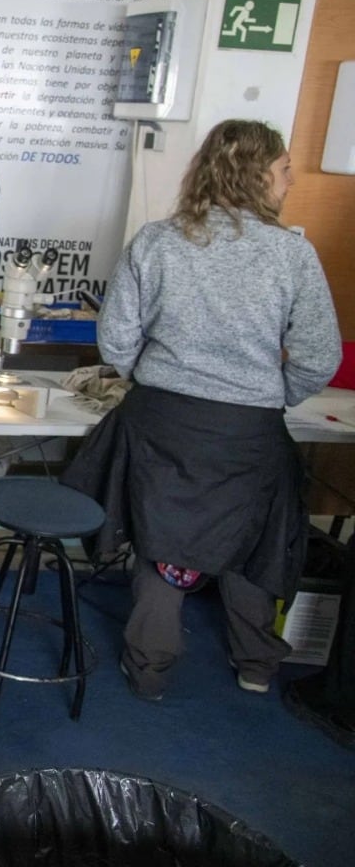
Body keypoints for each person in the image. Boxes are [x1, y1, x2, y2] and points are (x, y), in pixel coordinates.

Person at [64, 119, 340, 701]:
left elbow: (114, 343)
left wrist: (154, 377)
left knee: (162, 540)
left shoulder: (158, 242)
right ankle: (257, 665)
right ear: (258, 174)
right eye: (285, 170)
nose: (289, 181)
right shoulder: (293, 255)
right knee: (252, 542)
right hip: (248, 432)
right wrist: (275, 392)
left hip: (163, 421)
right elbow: (320, 356)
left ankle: (150, 671)